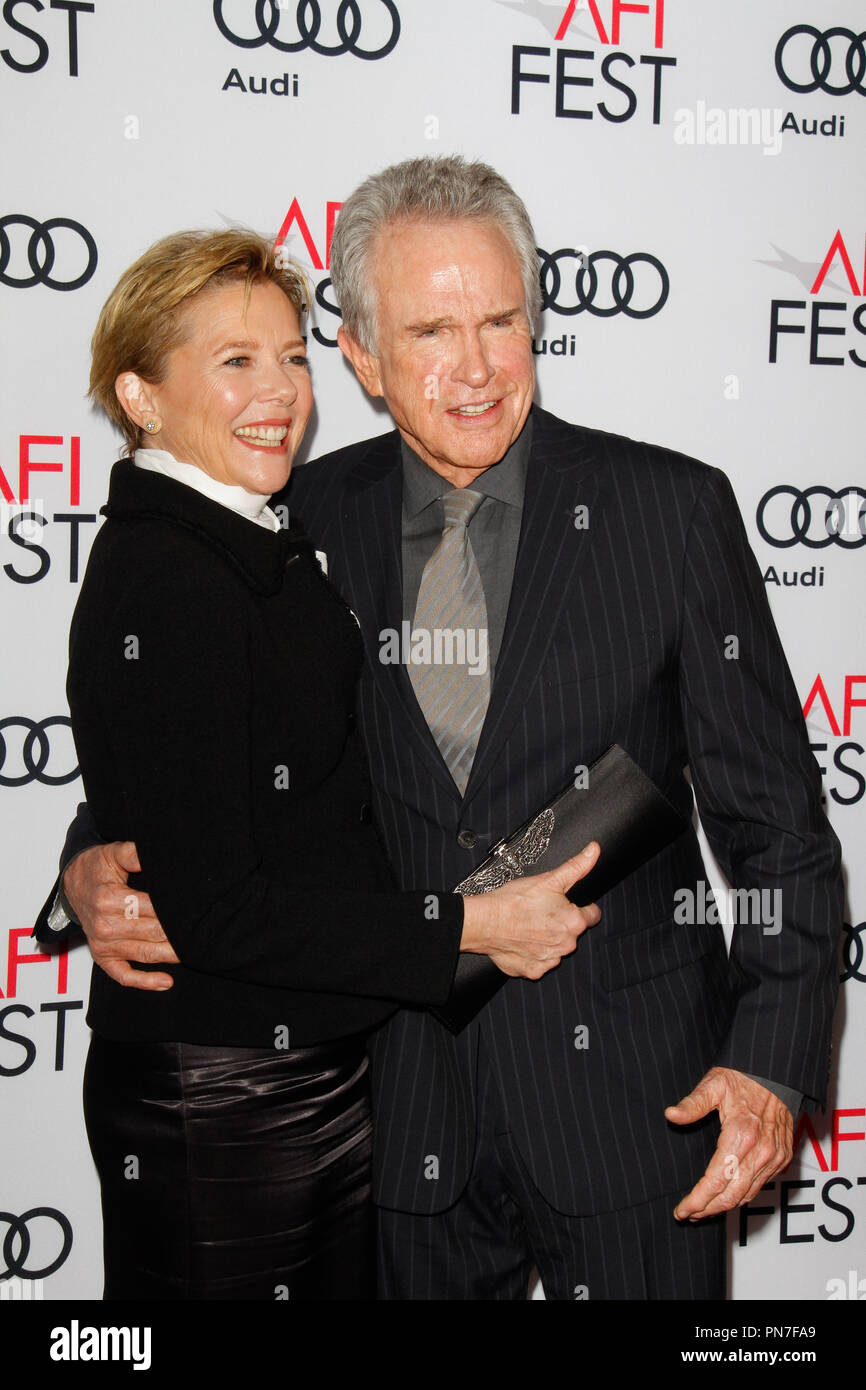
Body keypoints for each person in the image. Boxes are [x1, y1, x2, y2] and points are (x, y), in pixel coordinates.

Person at [46, 158, 842, 1301]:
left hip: (634, 1114)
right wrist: (87, 861)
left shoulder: (669, 511)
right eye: (428, 330)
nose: (473, 368)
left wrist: (768, 1064)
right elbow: (196, 743)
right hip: (394, 1119)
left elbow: (780, 832)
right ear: (363, 358)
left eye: (500, 321)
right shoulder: (297, 518)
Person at [38, 225, 602, 1301]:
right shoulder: (173, 575)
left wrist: (90, 861)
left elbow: (230, 779)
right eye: (233, 361)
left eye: (290, 356)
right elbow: (222, 906)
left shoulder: (261, 536)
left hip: (306, 1074)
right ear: (141, 397)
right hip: (228, 1094)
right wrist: (470, 927)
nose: (279, 391)